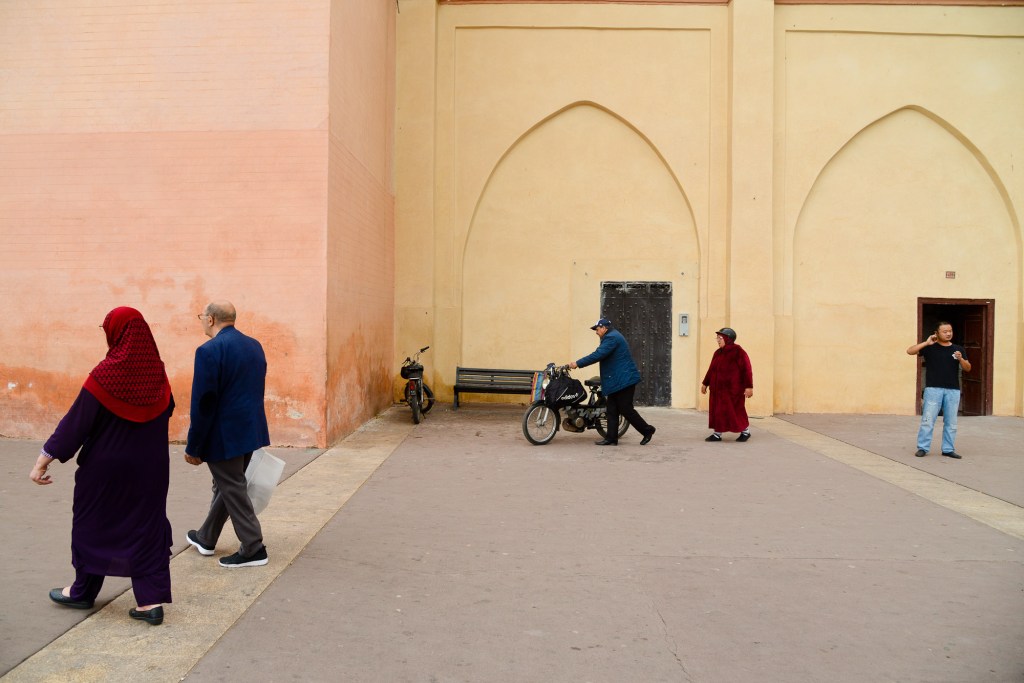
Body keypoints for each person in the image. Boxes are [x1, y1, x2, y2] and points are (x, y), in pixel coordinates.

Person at [29, 306, 174, 626]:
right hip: (151, 470)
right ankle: (150, 601)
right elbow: (168, 411)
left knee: (93, 523)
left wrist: (44, 459)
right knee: (147, 527)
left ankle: (83, 590)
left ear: (116, 333)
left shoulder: (105, 375)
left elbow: (76, 424)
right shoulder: (158, 374)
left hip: (104, 471)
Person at [184, 301, 271, 568]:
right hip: (249, 429)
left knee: (232, 487)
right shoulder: (253, 345)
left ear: (210, 319)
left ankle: (253, 547)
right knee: (228, 484)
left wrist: (194, 445)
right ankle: (206, 537)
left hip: (224, 434)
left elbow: (204, 401)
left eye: (202, 317)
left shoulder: (209, 350)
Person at [569, 318, 656, 446]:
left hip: (624, 380)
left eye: (597, 329)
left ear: (604, 328)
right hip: (618, 380)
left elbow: (597, 355)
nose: (596, 332)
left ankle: (647, 430)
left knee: (626, 409)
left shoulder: (611, 338)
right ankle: (611, 438)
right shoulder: (611, 336)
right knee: (612, 410)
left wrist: (577, 363)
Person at [907, 321, 971, 459]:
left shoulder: (958, 349)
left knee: (951, 421)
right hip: (933, 389)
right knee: (928, 420)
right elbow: (909, 351)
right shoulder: (930, 348)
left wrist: (961, 359)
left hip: (953, 390)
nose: (948, 333)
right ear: (936, 333)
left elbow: (968, 368)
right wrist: (926, 342)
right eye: (945, 331)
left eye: (950, 331)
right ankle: (923, 448)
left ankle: (948, 449)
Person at [701, 328, 753, 442]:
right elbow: (711, 369)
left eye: (720, 338)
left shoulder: (738, 352)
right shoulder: (717, 353)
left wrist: (749, 387)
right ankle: (717, 434)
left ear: (728, 339)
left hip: (733, 390)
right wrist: (705, 383)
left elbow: (747, 370)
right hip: (717, 390)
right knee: (717, 411)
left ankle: (746, 432)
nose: (718, 340)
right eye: (717, 338)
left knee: (735, 411)